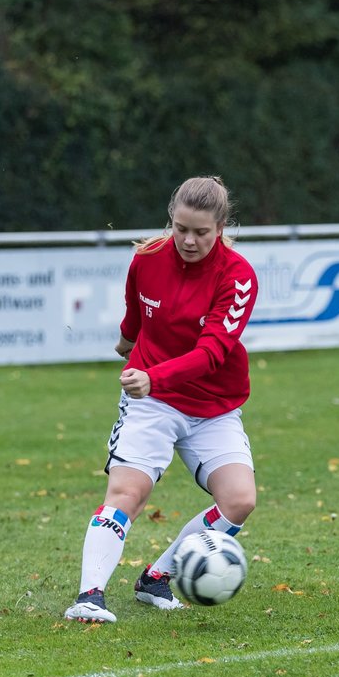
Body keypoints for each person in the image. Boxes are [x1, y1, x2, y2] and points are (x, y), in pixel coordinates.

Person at [64, 176, 259, 623]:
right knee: (126, 492)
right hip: (151, 402)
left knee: (239, 501)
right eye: (180, 228)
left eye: (201, 232)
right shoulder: (147, 257)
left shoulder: (238, 276)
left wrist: (154, 376)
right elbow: (135, 314)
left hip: (213, 406)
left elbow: (212, 353)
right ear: (171, 219)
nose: (188, 240)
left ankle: (157, 577)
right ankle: (89, 597)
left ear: (222, 227)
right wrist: (126, 342)